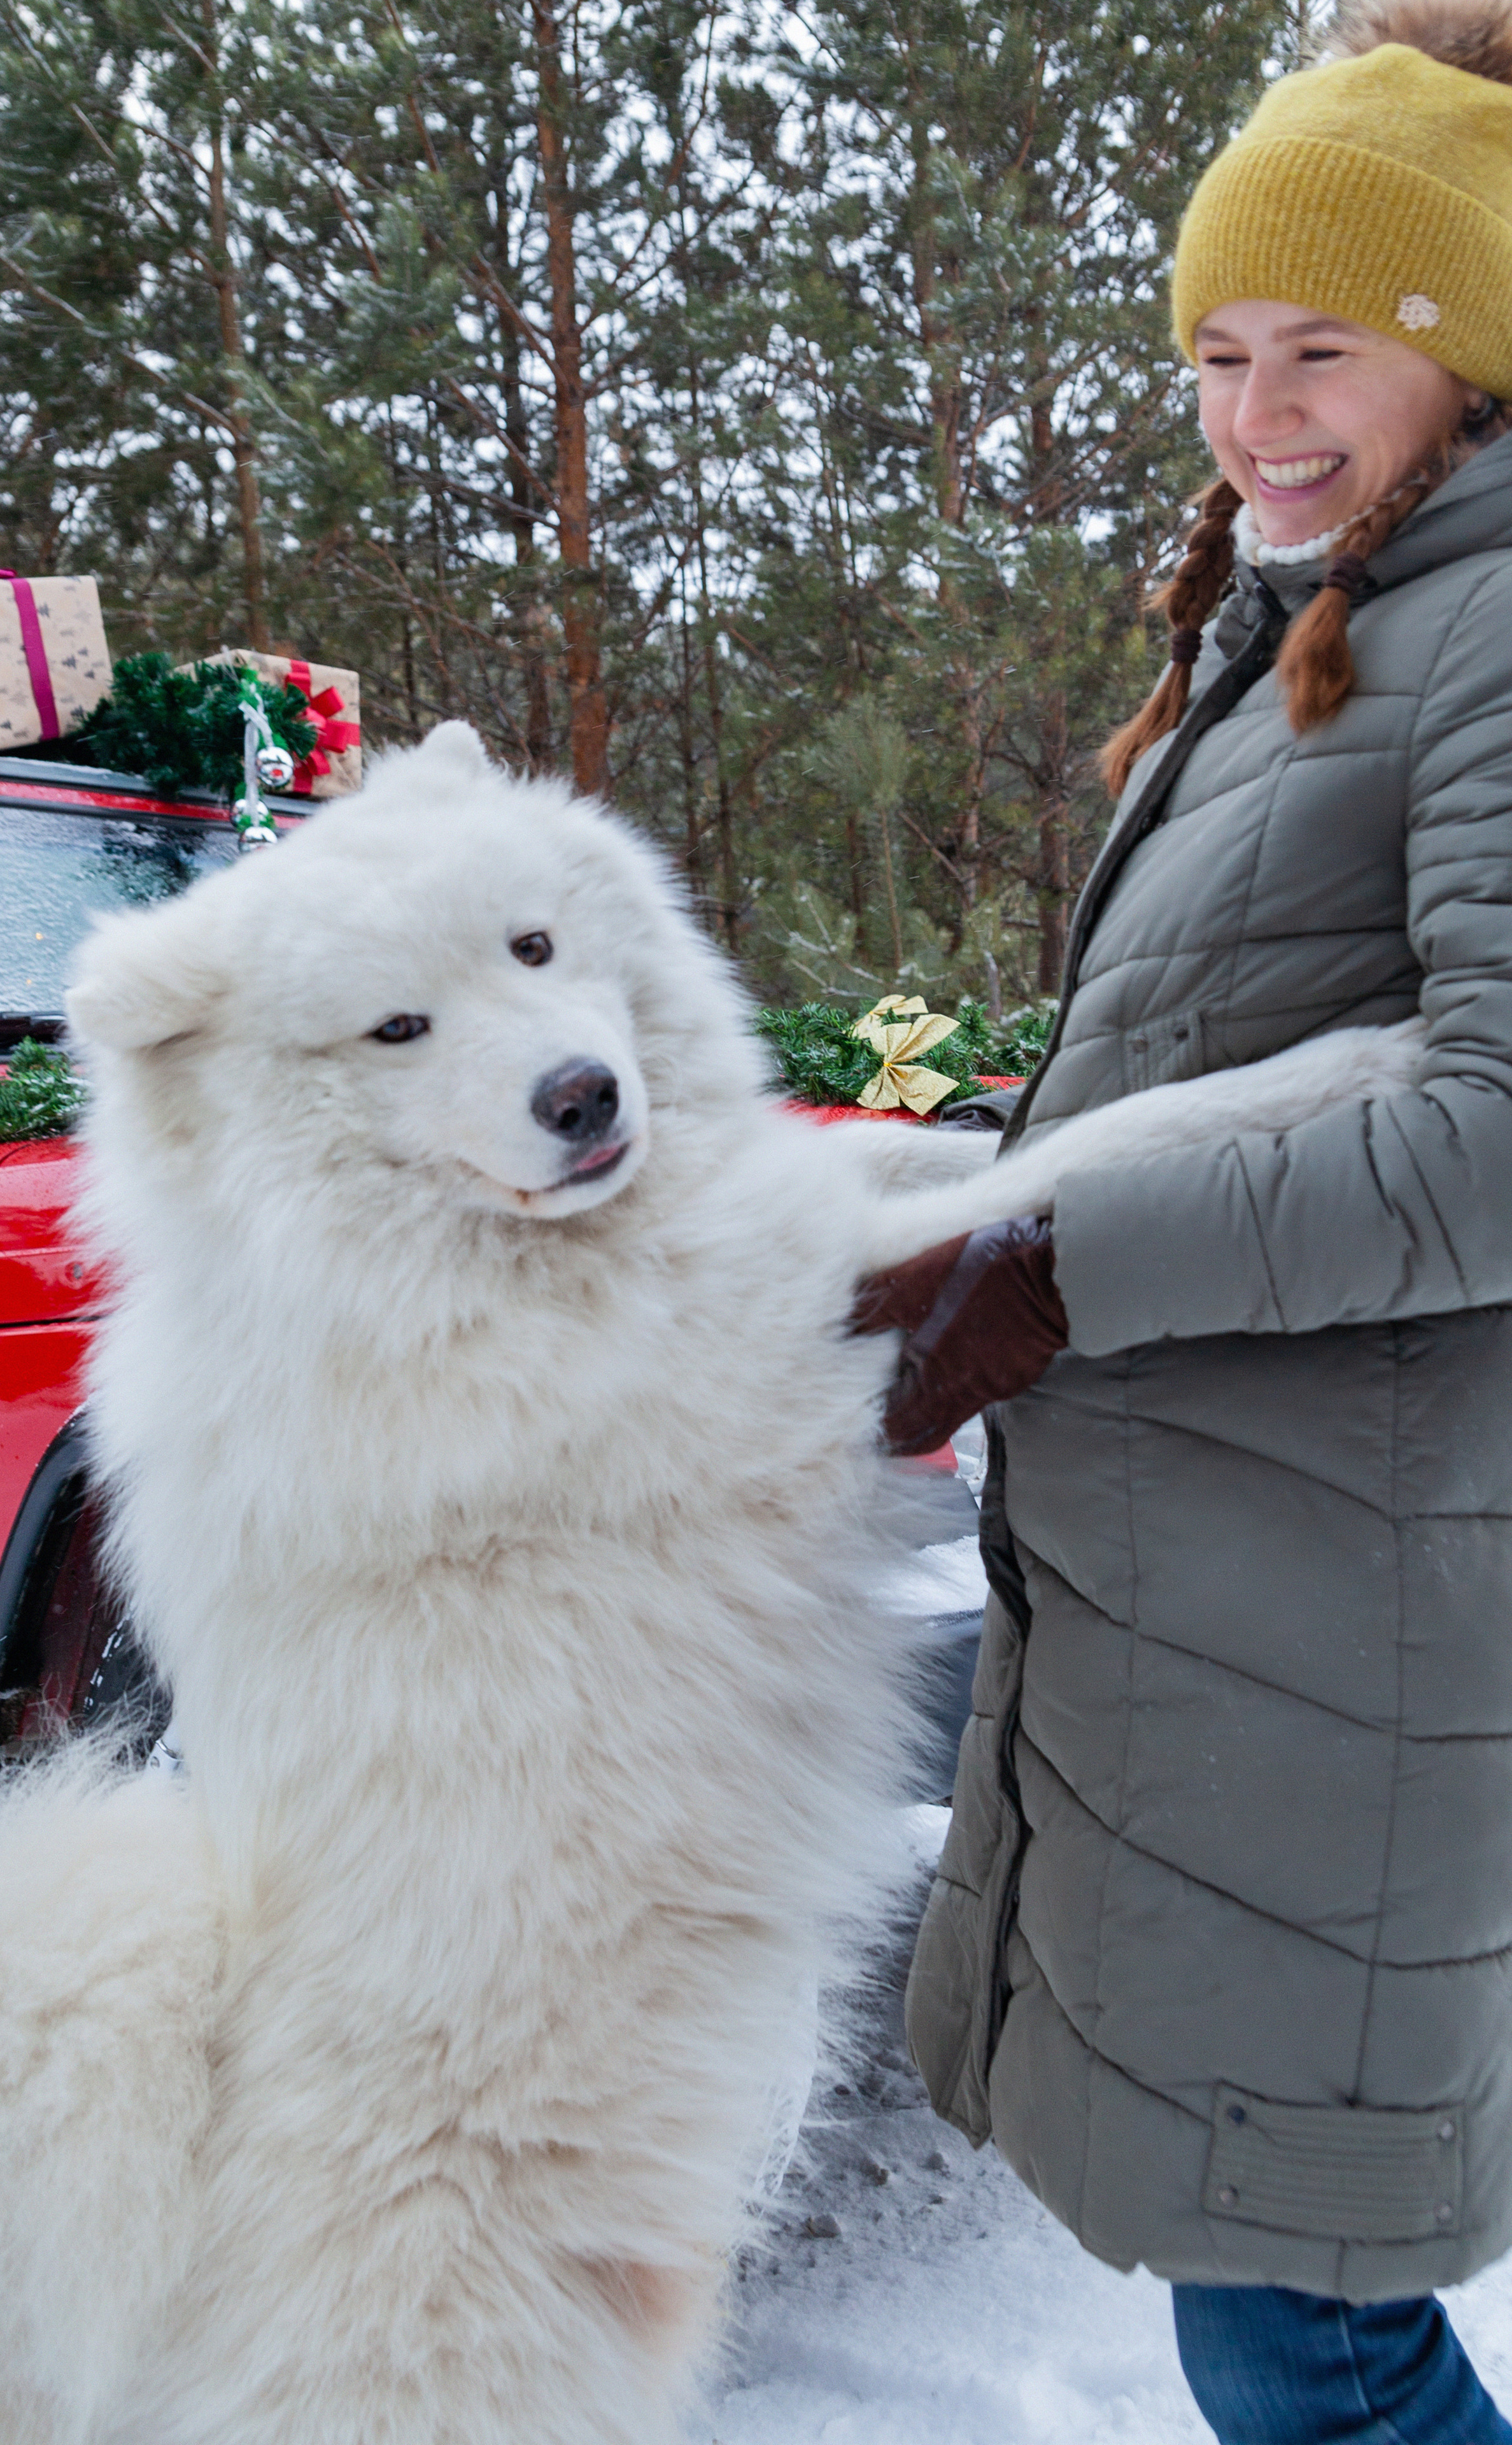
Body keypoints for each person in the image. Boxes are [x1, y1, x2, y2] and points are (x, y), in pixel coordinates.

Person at [855, 4, 1512, 2436]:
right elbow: (1199, 1079)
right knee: (1276, 2295)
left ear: (1464, 351)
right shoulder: (1309, 628)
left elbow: (1495, 1131)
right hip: (1225, 1612)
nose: (1256, 413)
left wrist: (1048, 1278)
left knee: (1308, 2332)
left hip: (1332, 1625)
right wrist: (936, 1207)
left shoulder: (1491, 635)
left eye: (1321, 348)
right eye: (1221, 353)